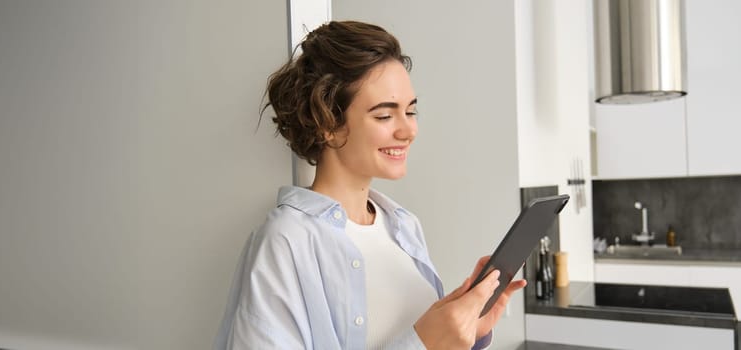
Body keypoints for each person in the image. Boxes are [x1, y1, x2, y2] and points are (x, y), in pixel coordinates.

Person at [214, 21, 526, 350]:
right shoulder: (286, 241)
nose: (408, 131)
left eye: (411, 110)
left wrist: (468, 333)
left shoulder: (403, 226)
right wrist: (423, 344)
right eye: (384, 116)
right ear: (327, 125)